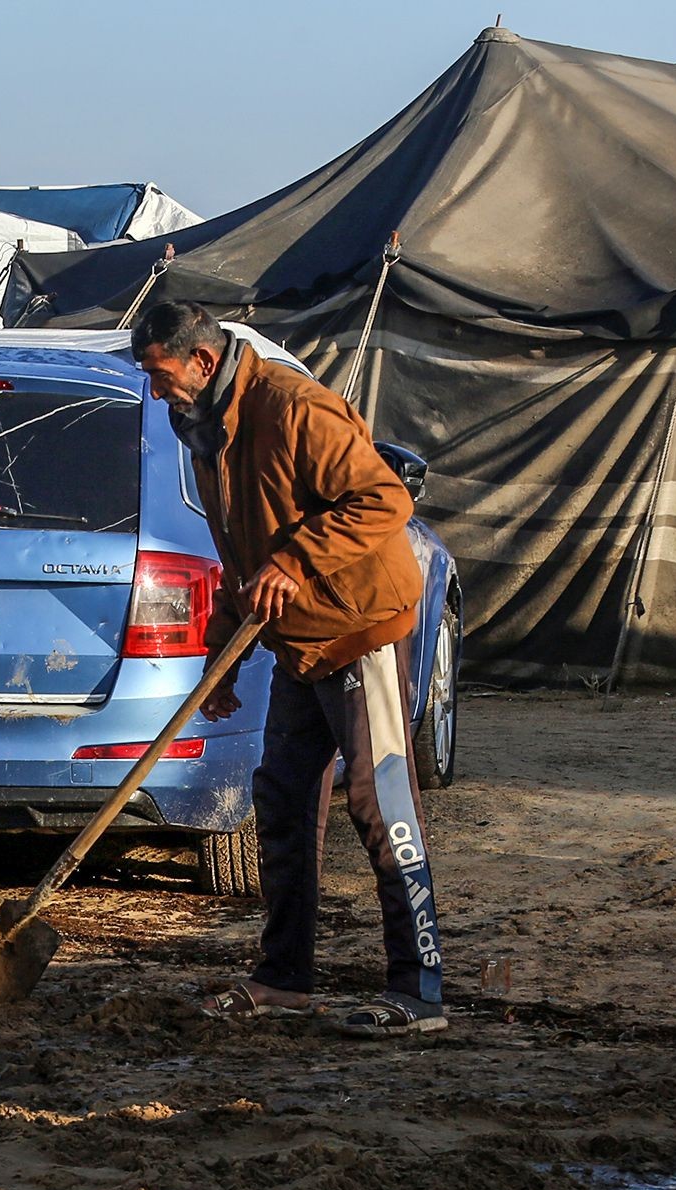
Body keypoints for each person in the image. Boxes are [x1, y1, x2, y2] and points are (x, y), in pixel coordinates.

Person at [131, 299, 445, 1038]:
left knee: (379, 801)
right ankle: (284, 980)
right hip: (297, 642)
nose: (155, 390)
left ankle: (419, 988)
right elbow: (241, 550)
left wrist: (297, 561)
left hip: (360, 629)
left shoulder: (296, 408)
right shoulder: (206, 431)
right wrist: (220, 648)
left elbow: (385, 498)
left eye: (159, 372)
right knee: (282, 796)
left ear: (202, 361)